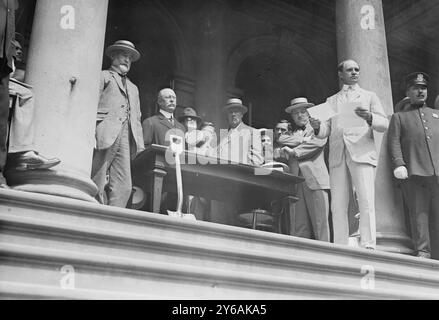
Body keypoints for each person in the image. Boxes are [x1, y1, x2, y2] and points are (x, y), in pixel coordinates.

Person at [310, 59, 389, 249]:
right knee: (338, 203)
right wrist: (317, 126)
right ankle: (340, 245)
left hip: (361, 151)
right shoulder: (332, 100)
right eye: (350, 70)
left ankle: (369, 244)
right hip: (338, 154)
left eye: (357, 69)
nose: (354, 72)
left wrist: (369, 117)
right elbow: (325, 131)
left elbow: (384, 124)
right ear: (340, 74)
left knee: (366, 199)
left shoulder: (369, 96)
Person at [388, 72, 439, 259]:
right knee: (419, 213)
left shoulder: (436, 115)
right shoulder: (399, 117)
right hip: (415, 171)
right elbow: (393, 142)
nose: (421, 91)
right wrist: (399, 164)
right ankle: (423, 251)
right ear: (408, 91)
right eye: (416, 88)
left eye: (423, 88)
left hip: (437, 171)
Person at [91, 40, 145, 208]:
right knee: (97, 178)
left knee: (125, 186)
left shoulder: (133, 88)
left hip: (125, 137)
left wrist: (140, 144)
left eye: (129, 57)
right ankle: (91, 216)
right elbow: (90, 104)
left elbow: (137, 118)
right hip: (104, 132)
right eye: (123, 55)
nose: (127, 60)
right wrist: (89, 133)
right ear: (113, 56)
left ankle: (111, 220)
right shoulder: (103, 76)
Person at [278, 98, 330, 242]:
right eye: (295, 113)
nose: (300, 115)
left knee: (320, 225)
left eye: (303, 112)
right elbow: (281, 139)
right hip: (296, 180)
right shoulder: (294, 133)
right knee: (298, 226)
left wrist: (295, 151)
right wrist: (303, 140)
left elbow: (318, 142)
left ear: (309, 113)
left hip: (316, 179)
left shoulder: (318, 128)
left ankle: (325, 259)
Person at [7, 37, 60, 172]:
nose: (19, 51)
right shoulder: (9, 63)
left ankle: (22, 152)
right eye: (16, 48)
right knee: (27, 94)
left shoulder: (14, 66)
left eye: (20, 49)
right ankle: (23, 151)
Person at [217, 98, 263, 166]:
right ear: (227, 115)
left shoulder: (252, 133)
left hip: (238, 174)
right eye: (230, 112)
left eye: (236, 111)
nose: (233, 114)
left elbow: (256, 161)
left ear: (241, 114)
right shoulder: (222, 135)